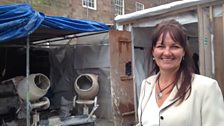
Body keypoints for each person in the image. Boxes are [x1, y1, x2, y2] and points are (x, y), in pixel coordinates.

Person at [136, 19, 224, 126]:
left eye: (175, 47)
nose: (167, 53)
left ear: (184, 52)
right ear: (153, 52)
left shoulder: (206, 88)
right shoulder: (146, 85)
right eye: (161, 46)